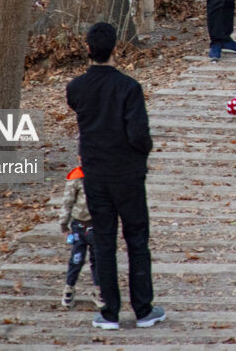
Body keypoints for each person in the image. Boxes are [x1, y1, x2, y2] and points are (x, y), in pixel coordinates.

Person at [65, 22, 164, 331]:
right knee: (136, 240)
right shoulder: (129, 88)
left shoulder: (76, 88)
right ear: (115, 50)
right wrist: (143, 153)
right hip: (128, 175)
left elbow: (79, 111)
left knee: (104, 241)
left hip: (95, 174)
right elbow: (138, 134)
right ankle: (143, 309)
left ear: (88, 50)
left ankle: (109, 312)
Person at [58, 164, 104, 310]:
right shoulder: (76, 177)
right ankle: (69, 288)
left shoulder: (104, 173)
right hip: (79, 226)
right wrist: (64, 224)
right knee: (76, 259)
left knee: (97, 259)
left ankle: (99, 290)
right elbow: (67, 202)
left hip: (97, 226)